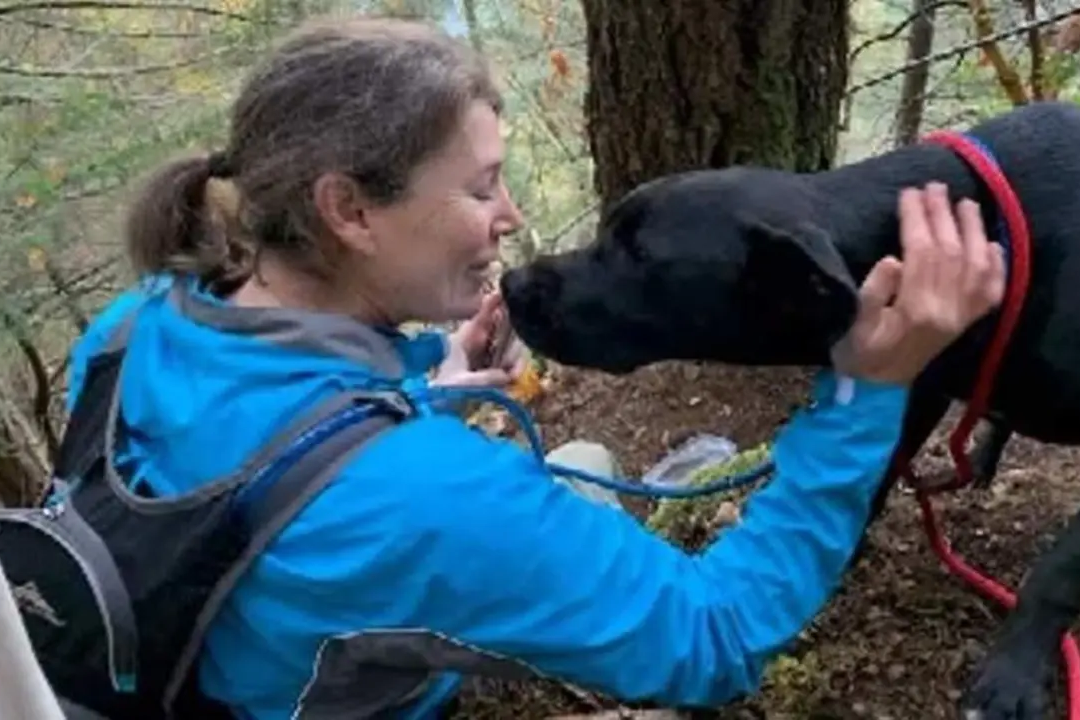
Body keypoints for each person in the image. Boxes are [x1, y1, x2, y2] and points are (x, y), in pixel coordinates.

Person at [60, 16, 1005, 720]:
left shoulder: (130, 328)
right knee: (585, 475)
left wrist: (421, 382)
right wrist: (865, 393)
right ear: (348, 211)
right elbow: (712, 638)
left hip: (175, 681)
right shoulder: (435, 500)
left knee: (586, 464)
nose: (509, 216)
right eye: (479, 188)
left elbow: (254, 462)